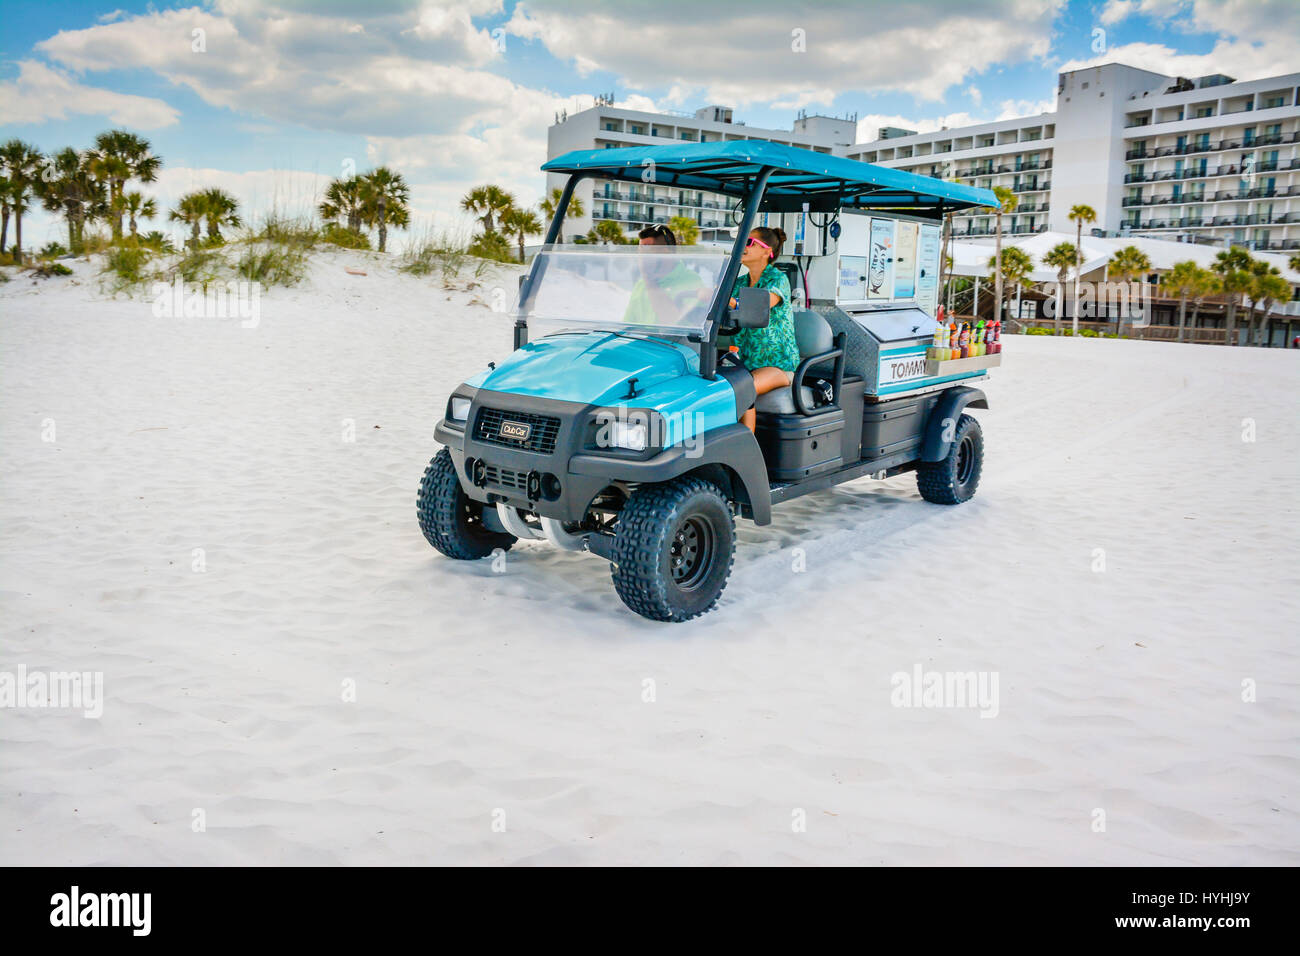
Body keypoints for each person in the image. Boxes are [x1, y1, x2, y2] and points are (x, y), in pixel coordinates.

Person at [728, 226, 800, 431]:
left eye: (749, 243)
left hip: (778, 365)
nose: (743, 246)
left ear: (767, 251)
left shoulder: (778, 279)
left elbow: (759, 304)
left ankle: (746, 452)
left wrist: (730, 302)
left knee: (742, 390)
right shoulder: (740, 282)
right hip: (745, 362)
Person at [622, 224, 707, 326]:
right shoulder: (641, 285)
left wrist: (648, 279)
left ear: (666, 252)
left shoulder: (691, 280)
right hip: (642, 341)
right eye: (640, 252)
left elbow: (672, 322)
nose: (641, 258)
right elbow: (626, 326)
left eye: (647, 251)